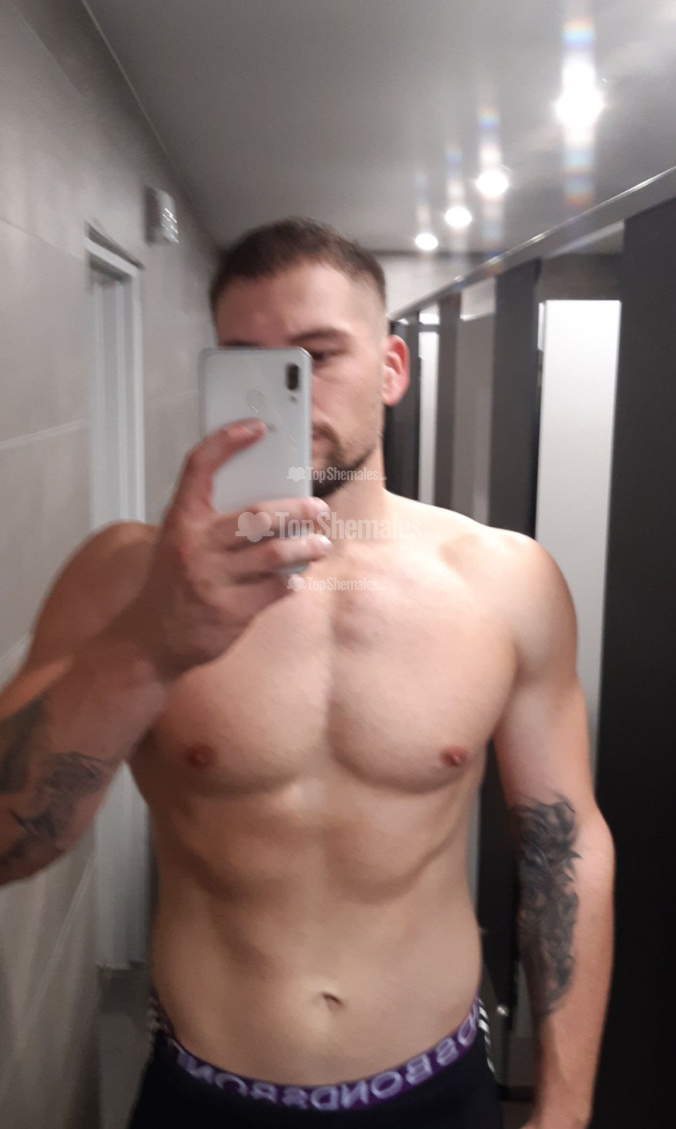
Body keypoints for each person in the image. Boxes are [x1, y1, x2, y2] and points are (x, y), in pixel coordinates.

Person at [0, 218, 614, 1128]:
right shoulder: (124, 579)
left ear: (392, 369)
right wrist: (150, 645)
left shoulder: (506, 581)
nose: (285, 392)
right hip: (207, 1097)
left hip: (437, 1093)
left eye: (317, 356)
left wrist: (564, 1107)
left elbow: (565, 844)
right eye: (246, 365)